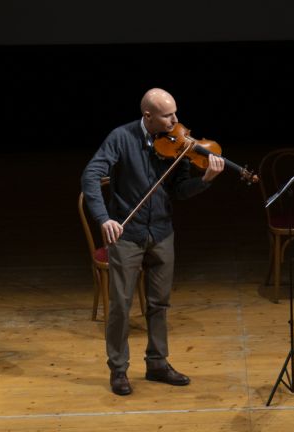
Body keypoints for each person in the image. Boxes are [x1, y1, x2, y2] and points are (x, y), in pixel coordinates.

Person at [81, 88, 225, 396]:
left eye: (175, 113)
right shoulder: (121, 138)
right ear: (148, 116)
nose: (175, 120)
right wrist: (104, 218)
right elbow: (91, 176)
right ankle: (119, 369)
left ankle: (157, 363)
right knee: (121, 305)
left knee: (159, 303)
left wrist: (205, 181)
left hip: (161, 232)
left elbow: (181, 191)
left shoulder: (177, 145)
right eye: (167, 115)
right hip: (128, 233)